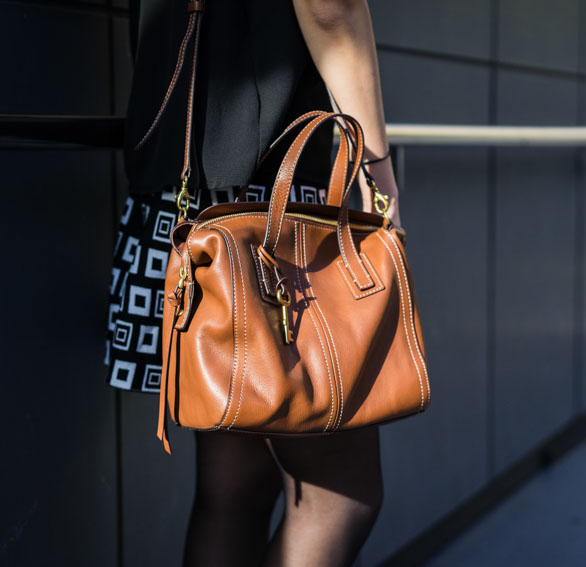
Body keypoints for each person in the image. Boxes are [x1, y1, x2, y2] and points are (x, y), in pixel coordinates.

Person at [106, 1, 400, 565]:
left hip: (189, 211)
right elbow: (330, 8)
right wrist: (378, 168)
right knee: (341, 500)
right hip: (275, 216)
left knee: (235, 493)